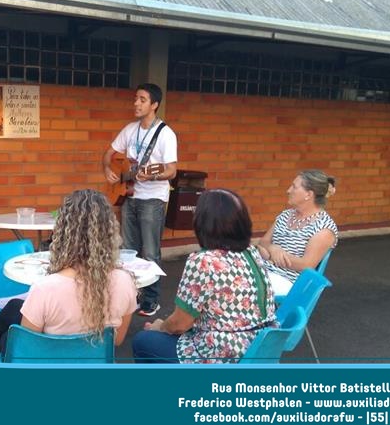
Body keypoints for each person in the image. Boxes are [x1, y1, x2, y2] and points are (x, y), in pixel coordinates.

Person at [0, 189, 137, 361]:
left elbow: (29, 348)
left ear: (64, 231)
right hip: (94, 363)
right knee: (15, 307)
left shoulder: (46, 288)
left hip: (49, 365)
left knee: (7, 335)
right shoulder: (126, 281)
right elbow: (117, 340)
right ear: (110, 231)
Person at [132, 189, 277, 363]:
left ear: (202, 222)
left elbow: (179, 324)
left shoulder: (204, 261)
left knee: (142, 340)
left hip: (225, 355)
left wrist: (160, 327)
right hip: (260, 349)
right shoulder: (252, 253)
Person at [102, 82, 177, 317]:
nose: (136, 103)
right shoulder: (130, 129)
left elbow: (171, 170)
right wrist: (108, 169)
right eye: (136, 99)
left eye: (142, 100)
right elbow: (109, 154)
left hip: (153, 198)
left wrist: (152, 175)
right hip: (129, 196)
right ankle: (130, 296)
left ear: (154, 105)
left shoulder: (165, 134)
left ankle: (151, 300)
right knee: (128, 250)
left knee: (151, 252)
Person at [257, 170, 338, 297]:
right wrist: (273, 248)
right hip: (264, 270)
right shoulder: (286, 215)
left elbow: (306, 265)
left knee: (237, 286)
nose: (288, 190)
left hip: (289, 282)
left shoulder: (324, 228)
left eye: (294, 187)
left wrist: (271, 256)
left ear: (308, 194)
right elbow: (263, 242)